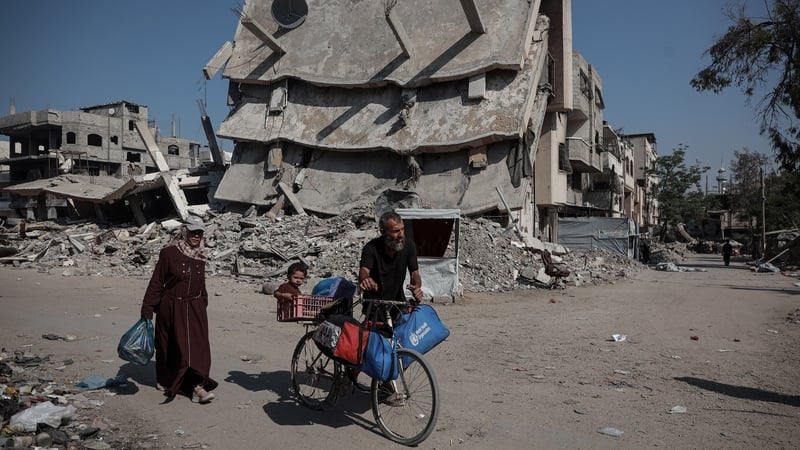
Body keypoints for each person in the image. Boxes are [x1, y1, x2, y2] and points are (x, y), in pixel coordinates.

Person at [141, 216, 218, 404]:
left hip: (195, 308)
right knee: (170, 346)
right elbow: (157, 281)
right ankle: (166, 379)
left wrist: (203, 303)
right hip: (171, 307)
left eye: (199, 233)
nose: (196, 236)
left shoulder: (201, 256)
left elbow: (201, 284)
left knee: (199, 349)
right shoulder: (169, 253)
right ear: (184, 231)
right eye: (193, 232)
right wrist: (147, 308)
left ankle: (197, 385)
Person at [358, 210, 423, 322]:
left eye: (402, 229)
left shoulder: (409, 246)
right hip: (374, 306)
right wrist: (365, 279)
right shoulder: (371, 248)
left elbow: (415, 273)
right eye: (396, 231)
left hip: (398, 305)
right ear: (383, 232)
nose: (401, 235)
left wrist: (417, 287)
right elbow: (364, 270)